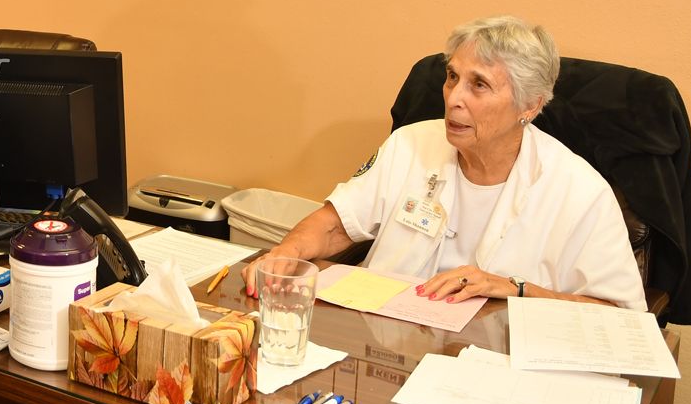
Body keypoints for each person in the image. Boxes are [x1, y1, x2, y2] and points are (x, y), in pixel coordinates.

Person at [244, 16, 646, 311]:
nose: (454, 98)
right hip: (388, 337)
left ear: (531, 104)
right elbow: (335, 224)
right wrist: (286, 253)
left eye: (479, 85)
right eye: (452, 77)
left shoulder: (579, 191)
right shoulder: (409, 144)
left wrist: (515, 288)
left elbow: (620, 316)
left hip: (500, 363)